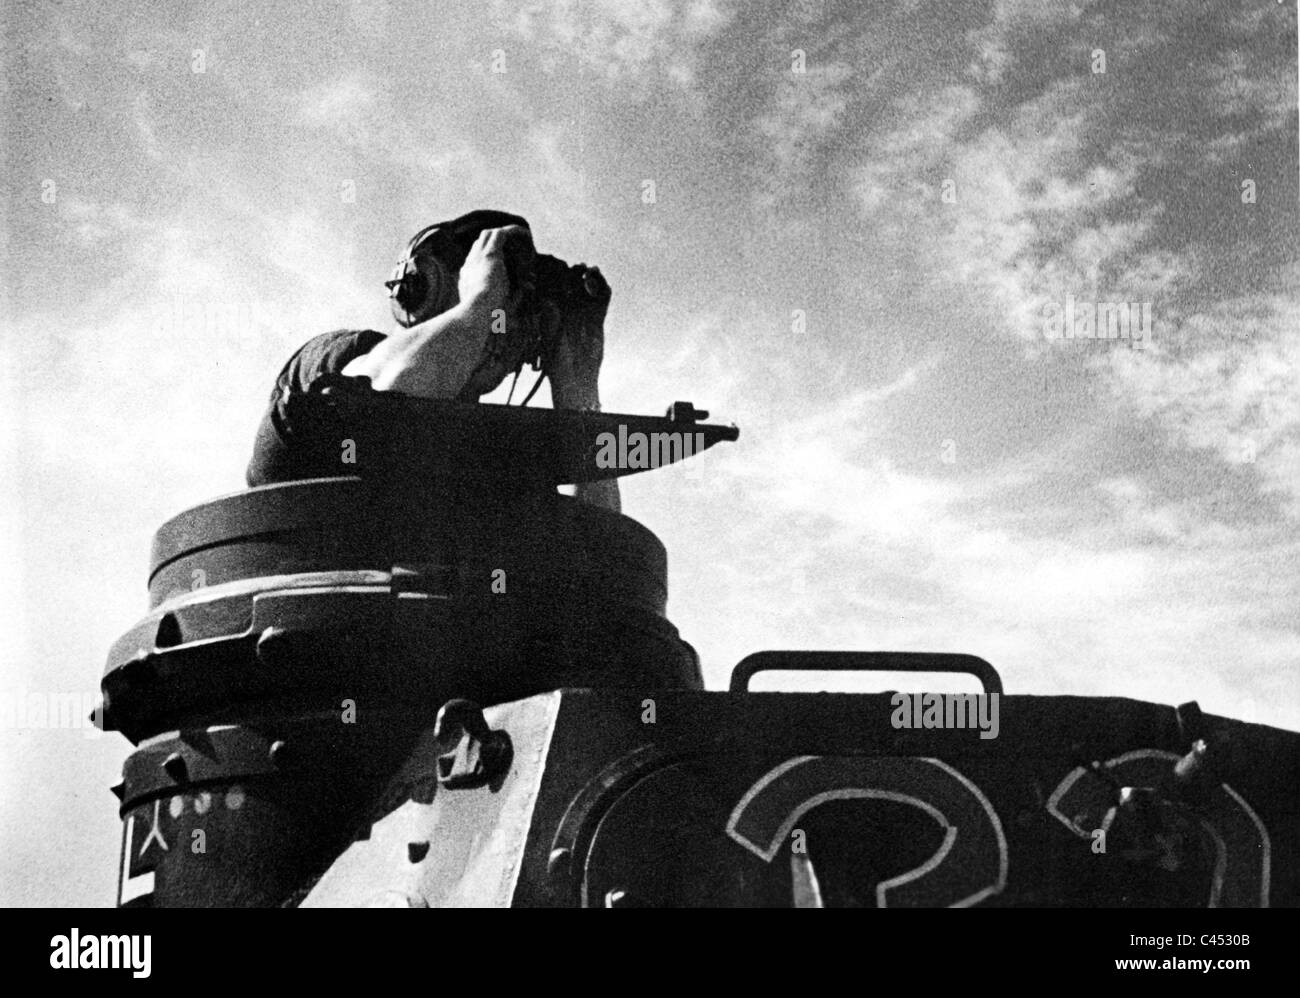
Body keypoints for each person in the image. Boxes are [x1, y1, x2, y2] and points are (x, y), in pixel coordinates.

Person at [245, 211, 620, 511]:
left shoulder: (484, 448)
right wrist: (481, 303)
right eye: (498, 309)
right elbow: (374, 405)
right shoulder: (334, 361)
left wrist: (580, 395)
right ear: (426, 289)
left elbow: (600, 559)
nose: (507, 333)